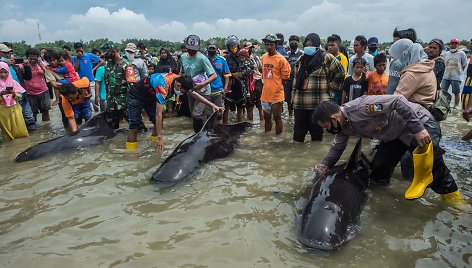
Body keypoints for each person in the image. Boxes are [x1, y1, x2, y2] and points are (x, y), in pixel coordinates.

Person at [311, 95, 462, 203]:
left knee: (433, 169)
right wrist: (325, 165)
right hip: (394, 136)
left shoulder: (364, 107)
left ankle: (454, 203)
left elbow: (398, 101)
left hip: (418, 124)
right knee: (378, 171)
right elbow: (337, 147)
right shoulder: (343, 127)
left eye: (326, 126)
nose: (327, 130)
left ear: (334, 118)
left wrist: (418, 129)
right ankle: (383, 201)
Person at [126, 73, 224, 151]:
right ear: (178, 85)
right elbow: (158, 114)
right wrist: (161, 137)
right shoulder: (162, 87)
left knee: (157, 123)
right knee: (135, 126)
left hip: (150, 97)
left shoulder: (180, 80)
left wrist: (212, 105)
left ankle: (154, 146)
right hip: (136, 95)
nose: (183, 94)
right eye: (183, 91)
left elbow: (194, 94)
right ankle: (131, 154)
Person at [291, 33, 345, 142]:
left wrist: (332, 89)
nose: (308, 47)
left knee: (317, 135)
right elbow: (295, 81)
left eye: (311, 45)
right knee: (298, 135)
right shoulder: (300, 60)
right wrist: (292, 98)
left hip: (318, 104)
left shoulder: (326, 58)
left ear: (317, 45)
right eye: (306, 44)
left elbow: (340, 72)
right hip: (300, 103)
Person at [179, 34, 217, 132]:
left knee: (197, 114)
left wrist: (203, 84)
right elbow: (182, 73)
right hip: (190, 89)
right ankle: (199, 134)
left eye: (194, 49)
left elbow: (213, 75)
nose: (191, 51)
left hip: (202, 89)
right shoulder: (183, 57)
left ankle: (206, 134)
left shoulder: (202, 58)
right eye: (189, 49)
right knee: (194, 115)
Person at [260, 34, 291, 135]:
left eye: (271, 44)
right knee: (266, 118)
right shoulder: (263, 57)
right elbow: (261, 71)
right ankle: (267, 137)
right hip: (265, 93)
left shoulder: (281, 59)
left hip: (277, 94)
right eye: (267, 44)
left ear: (276, 44)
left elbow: (286, 76)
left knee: (277, 118)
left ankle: (278, 139)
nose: (269, 46)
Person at [0, 43, 36, 131]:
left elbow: (27, 77)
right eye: (5, 53)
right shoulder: (4, 66)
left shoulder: (15, 66)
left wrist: (27, 67)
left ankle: (33, 140)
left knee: (29, 118)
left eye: (9, 53)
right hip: (5, 100)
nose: (8, 55)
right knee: (11, 123)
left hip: (20, 95)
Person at [100, 41, 133, 129]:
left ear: (113, 51)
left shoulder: (126, 65)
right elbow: (107, 83)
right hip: (111, 102)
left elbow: (132, 85)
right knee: (111, 128)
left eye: (107, 52)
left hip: (124, 101)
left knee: (135, 125)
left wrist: (132, 102)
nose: (105, 54)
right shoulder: (107, 66)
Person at [0, 62, 28, 140]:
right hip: (3, 110)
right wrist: (1, 95)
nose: (3, 74)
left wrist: (14, 94)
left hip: (15, 108)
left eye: (5, 72)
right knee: (7, 130)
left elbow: (20, 96)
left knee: (20, 128)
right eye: (1, 72)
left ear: (8, 72)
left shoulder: (13, 82)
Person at [72, 42, 103, 112]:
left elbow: (101, 62)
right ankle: (92, 114)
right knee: (86, 100)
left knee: (93, 98)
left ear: (83, 49)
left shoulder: (89, 55)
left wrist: (94, 69)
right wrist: (78, 59)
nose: (79, 52)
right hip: (82, 82)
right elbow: (75, 70)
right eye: (77, 50)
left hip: (91, 81)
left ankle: (97, 110)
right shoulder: (74, 58)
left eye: (80, 50)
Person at [386, 27, 418, 95]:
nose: (394, 47)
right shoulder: (393, 63)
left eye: (397, 44)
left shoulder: (414, 66)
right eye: (393, 43)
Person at [23, 48, 51, 123]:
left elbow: (48, 73)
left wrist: (40, 64)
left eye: (34, 59)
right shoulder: (22, 66)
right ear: (27, 57)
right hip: (30, 93)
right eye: (30, 58)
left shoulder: (42, 64)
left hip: (43, 91)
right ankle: (35, 130)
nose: (32, 60)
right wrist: (26, 66)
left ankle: (47, 131)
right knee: (33, 114)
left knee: (45, 112)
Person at [206, 39, 230, 124]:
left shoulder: (222, 60)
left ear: (217, 49)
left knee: (219, 114)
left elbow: (227, 76)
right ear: (207, 49)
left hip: (219, 90)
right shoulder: (203, 59)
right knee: (209, 115)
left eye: (213, 48)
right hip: (207, 91)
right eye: (210, 48)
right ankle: (209, 132)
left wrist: (225, 89)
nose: (212, 50)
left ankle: (219, 133)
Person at [223, 35, 246, 123]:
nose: (233, 48)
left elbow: (247, 70)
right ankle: (224, 124)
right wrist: (232, 74)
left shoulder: (242, 57)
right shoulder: (225, 58)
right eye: (231, 46)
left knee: (240, 107)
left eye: (235, 46)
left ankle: (239, 124)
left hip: (240, 85)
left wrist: (241, 74)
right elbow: (223, 72)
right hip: (229, 84)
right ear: (228, 47)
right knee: (226, 106)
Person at [441, 38, 468, 108]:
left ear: (458, 45)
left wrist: (459, 72)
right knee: (443, 91)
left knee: (456, 92)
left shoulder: (462, 53)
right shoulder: (446, 54)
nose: (454, 45)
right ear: (450, 45)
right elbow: (444, 64)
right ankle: (444, 105)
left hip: (456, 77)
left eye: (455, 44)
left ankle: (455, 106)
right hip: (446, 75)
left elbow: (464, 64)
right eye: (452, 44)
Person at [243, 41, 264, 121]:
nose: (249, 50)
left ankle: (259, 123)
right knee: (252, 106)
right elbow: (260, 69)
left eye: (250, 48)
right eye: (247, 48)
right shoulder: (254, 58)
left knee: (258, 105)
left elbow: (260, 69)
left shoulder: (253, 58)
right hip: (252, 82)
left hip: (255, 82)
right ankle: (253, 124)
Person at [284, 35, 303, 116]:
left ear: (298, 43)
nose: (293, 44)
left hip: (299, 81)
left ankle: (297, 116)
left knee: (298, 100)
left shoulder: (302, 54)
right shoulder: (287, 54)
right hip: (288, 81)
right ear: (289, 43)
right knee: (288, 100)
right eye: (292, 43)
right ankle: (290, 116)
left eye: (295, 43)